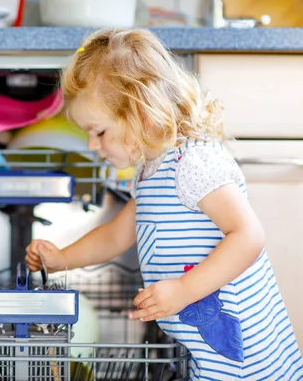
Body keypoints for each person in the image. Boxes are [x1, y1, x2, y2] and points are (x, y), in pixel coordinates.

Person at [25, 28, 303, 380]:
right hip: (201, 346)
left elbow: (248, 235)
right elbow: (115, 236)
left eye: (99, 132)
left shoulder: (193, 163)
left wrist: (184, 290)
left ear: (141, 113)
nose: (93, 146)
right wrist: (63, 258)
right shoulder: (150, 169)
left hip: (244, 355)